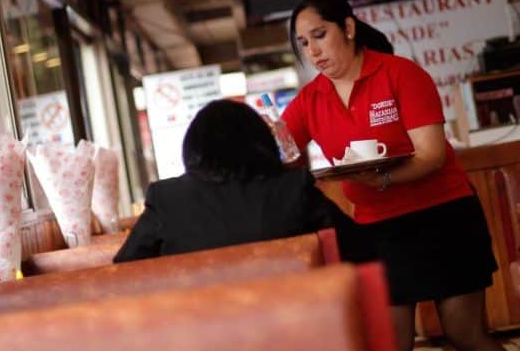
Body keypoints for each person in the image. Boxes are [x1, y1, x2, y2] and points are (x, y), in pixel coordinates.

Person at [282, 0, 520, 351]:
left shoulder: (400, 74)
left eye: (320, 35)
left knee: (465, 332)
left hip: (443, 216)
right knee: (391, 346)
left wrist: (380, 179)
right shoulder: (311, 99)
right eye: (303, 43)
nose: (313, 51)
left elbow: (432, 154)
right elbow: (279, 148)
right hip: (377, 231)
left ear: (348, 28)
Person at [114, 99, 352, 262]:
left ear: (193, 147)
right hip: (301, 316)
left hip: (193, 319)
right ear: (261, 143)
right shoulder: (294, 189)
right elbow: (358, 246)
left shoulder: (166, 199)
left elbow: (125, 269)